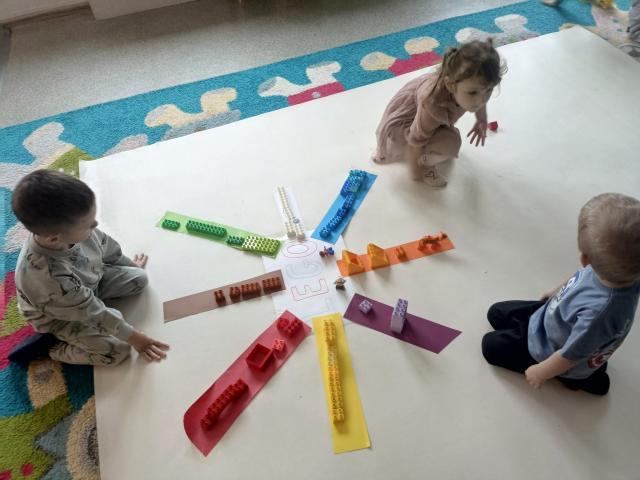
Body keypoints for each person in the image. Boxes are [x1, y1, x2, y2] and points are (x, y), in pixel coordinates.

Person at [481, 193, 640, 395]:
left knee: (490, 346)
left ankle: (586, 379)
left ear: (585, 258)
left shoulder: (600, 314)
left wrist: (541, 372)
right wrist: (555, 290)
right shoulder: (621, 272)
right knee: (495, 312)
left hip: (552, 351)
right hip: (552, 315)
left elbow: (570, 356)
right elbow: (581, 276)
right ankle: (590, 363)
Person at [9, 170, 169, 366]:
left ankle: (96, 303)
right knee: (117, 351)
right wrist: (135, 337)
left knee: (139, 279)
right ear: (54, 237)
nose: (95, 224)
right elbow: (92, 312)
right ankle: (52, 349)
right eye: (88, 224)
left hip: (86, 287)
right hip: (60, 316)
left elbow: (107, 248)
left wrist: (128, 264)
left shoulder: (75, 228)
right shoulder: (47, 278)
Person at [373, 39, 505, 187]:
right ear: (450, 85)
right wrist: (416, 169)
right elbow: (415, 141)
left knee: (447, 144)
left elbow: (481, 99)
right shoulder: (432, 105)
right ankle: (425, 164)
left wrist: (481, 119)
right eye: (473, 93)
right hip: (406, 126)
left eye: (489, 90)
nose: (481, 100)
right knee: (451, 144)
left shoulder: (470, 88)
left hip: (426, 119)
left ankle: (432, 148)